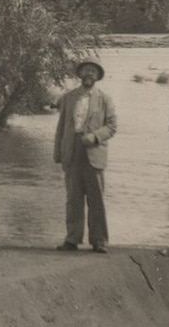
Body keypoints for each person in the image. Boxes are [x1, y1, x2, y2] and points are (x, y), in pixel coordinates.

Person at [53, 56, 118, 254]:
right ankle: (72, 239)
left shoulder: (105, 99)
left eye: (93, 71)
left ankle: (99, 241)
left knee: (96, 199)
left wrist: (95, 137)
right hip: (72, 152)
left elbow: (112, 127)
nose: (89, 74)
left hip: (94, 152)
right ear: (80, 74)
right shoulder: (68, 97)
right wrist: (58, 152)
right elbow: (61, 127)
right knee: (73, 199)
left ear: (98, 76)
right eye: (86, 70)